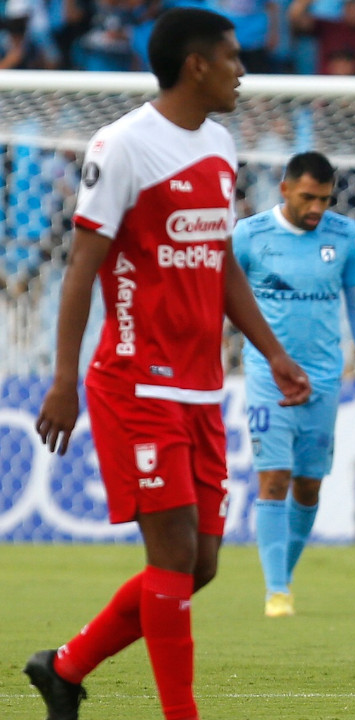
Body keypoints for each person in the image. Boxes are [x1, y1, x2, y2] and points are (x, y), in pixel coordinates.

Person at [24, 8, 311, 720]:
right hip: (133, 381)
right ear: (197, 66)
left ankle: (64, 668)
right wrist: (64, 378)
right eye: (233, 58)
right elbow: (81, 268)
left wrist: (272, 352)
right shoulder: (122, 146)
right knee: (175, 553)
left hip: (200, 386)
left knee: (200, 565)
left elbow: (217, 263)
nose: (243, 71)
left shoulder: (218, 145)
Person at [235, 151, 355, 617]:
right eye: (307, 197)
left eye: (324, 198)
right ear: (283, 190)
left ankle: (284, 575)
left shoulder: (344, 236)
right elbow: (223, 296)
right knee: (274, 477)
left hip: (324, 377)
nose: (317, 207)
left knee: (308, 486)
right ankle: (275, 590)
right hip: (266, 376)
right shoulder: (249, 235)